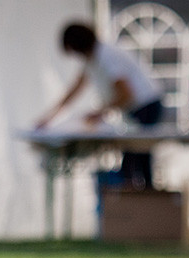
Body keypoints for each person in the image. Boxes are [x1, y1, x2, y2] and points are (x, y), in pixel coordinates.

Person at [35, 21, 164, 189]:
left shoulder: (105, 56)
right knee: (134, 160)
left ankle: (143, 206)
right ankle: (139, 206)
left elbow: (127, 95)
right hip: (139, 107)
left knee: (137, 159)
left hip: (146, 104)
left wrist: (100, 113)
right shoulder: (93, 59)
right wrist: (50, 117)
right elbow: (74, 90)